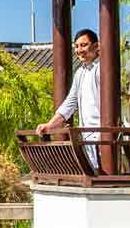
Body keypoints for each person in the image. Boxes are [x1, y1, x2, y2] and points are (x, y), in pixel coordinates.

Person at [33, 30, 103, 166]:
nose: (79, 50)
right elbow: (70, 103)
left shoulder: (101, 69)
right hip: (86, 136)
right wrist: (50, 125)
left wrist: (104, 132)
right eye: (76, 46)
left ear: (96, 46)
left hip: (102, 136)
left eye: (83, 45)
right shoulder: (80, 73)